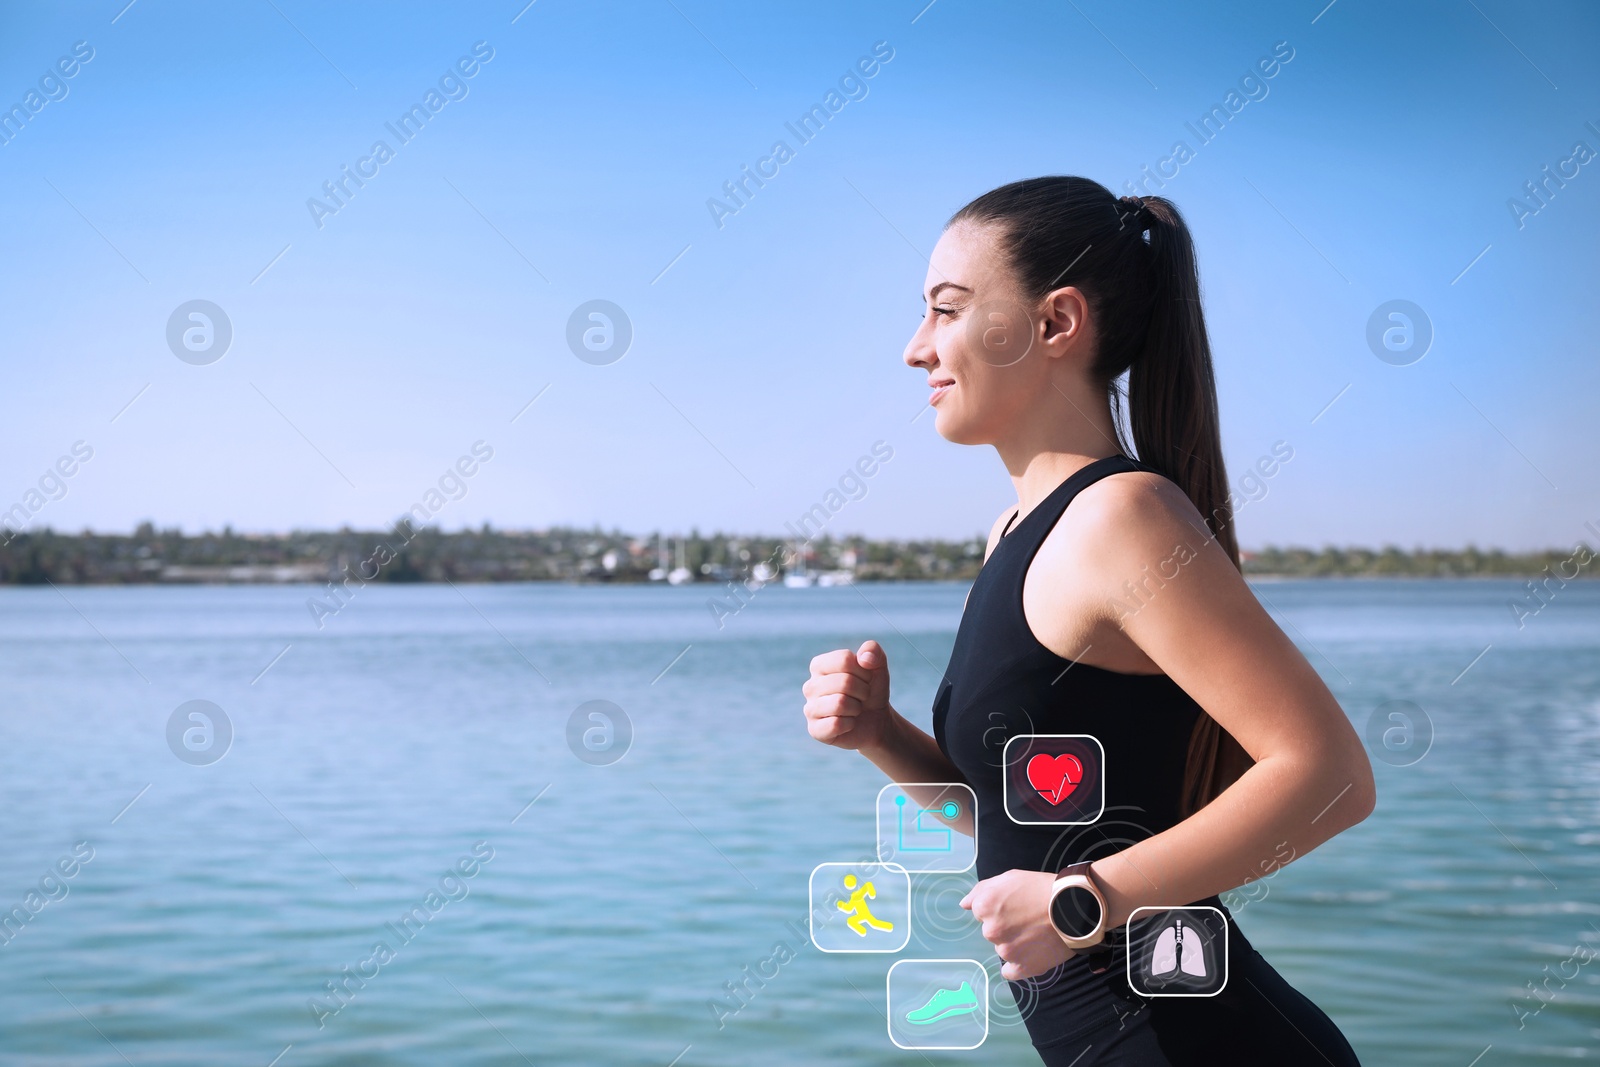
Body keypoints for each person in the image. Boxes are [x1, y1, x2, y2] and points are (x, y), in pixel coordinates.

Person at [800, 176, 1374, 1065]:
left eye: (947, 311)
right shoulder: (1014, 534)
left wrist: (1083, 901)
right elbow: (1017, 820)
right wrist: (880, 733)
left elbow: (1331, 774)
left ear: (1056, 323)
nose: (917, 349)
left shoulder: (1122, 518)